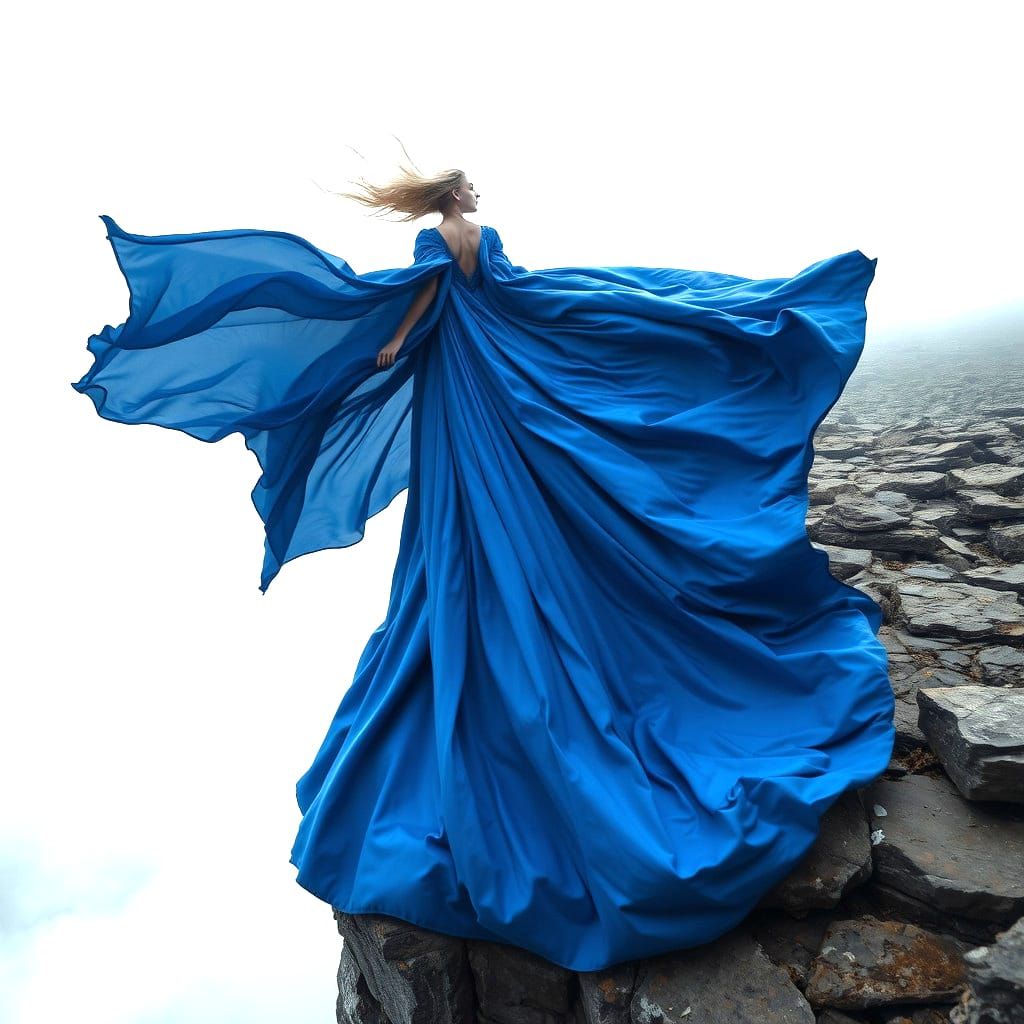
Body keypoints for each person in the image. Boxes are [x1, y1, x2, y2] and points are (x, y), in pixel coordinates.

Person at [71, 164, 895, 973]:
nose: (477, 195)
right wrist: (403, 339)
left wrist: (395, 347)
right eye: (470, 187)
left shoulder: (449, 238)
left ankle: (506, 640)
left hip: (476, 380)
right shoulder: (460, 235)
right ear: (454, 195)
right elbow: (442, 301)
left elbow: (434, 310)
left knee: (476, 533)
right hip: (485, 375)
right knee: (542, 472)